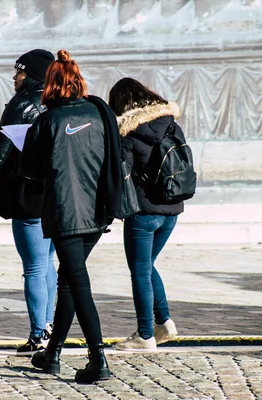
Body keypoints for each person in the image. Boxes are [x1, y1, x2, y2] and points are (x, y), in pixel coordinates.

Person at [21, 50, 124, 384]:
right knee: (68, 280)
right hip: (98, 211)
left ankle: (99, 358)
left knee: (77, 282)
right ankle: (52, 354)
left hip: (66, 212)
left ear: (51, 85)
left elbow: (31, 170)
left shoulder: (47, 121)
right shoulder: (99, 112)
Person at [0, 49, 57, 355]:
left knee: (34, 267)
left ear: (32, 76)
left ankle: (38, 334)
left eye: (19, 72)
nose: (14, 77)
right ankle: (48, 326)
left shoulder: (23, 104)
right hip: (55, 196)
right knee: (47, 263)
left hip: (28, 196)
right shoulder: (60, 102)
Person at [108, 77, 182, 350]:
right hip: (171, 210)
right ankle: (163, 322)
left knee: (139, 270)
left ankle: (145, 335)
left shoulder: (128, 131)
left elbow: (121, 174)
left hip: (143, 212)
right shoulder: (171, 123)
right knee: (147, 266)